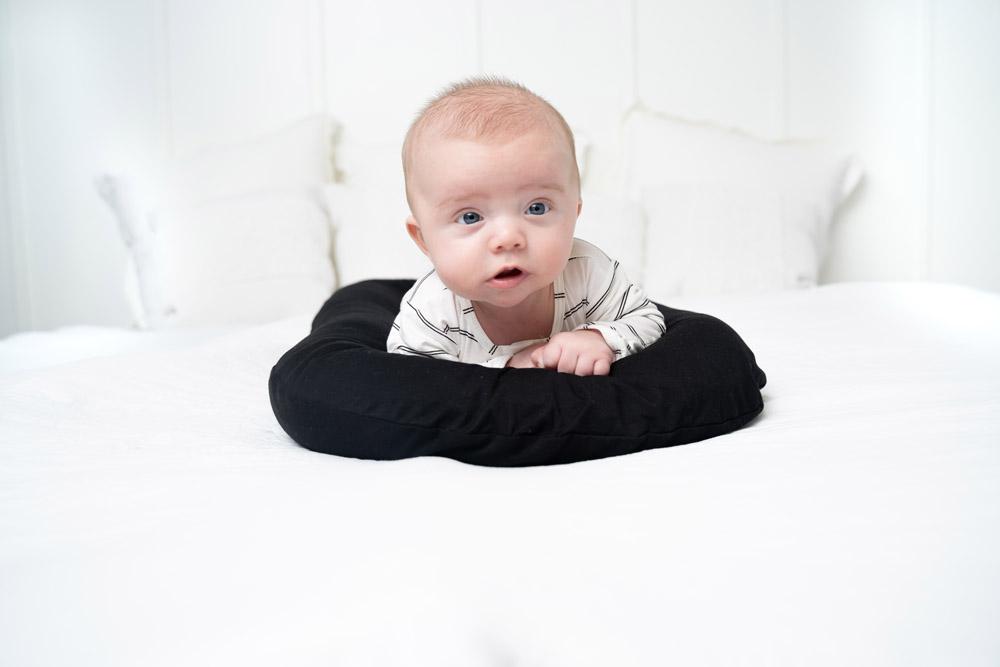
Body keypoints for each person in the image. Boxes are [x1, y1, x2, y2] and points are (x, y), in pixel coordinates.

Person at [387, 76, 664, 376]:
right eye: (470, 217)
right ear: (424, 240)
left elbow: (649, 320)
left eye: (536, 208)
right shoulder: (431, 313)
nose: (508, 238)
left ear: (574, 214)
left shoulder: (588, 273)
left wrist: (599, 338)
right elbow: (414, 387)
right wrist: (510, 367)